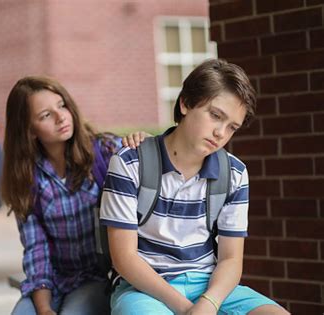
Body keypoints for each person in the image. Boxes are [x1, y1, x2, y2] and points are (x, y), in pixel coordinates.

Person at [100, 59, 290, 315]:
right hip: (144, 288)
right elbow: (124, 259)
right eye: (215, 115)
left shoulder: (234, 173)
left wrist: (208, 303)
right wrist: (187, 309)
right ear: (186, 103)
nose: (221, 133)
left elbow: (231, 259)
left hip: (209, 285)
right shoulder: (130, 163)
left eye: (232, 127)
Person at [3, 75, 146, 315]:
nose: (61, 117)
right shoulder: (27, 179)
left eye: (62, 105)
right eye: (46, 115)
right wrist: (44, 308)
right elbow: (37, 251)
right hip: (55, 281)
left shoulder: (105, 151)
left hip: (100, 278)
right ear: (29, 130)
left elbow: (157, 166)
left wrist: (146, 143)